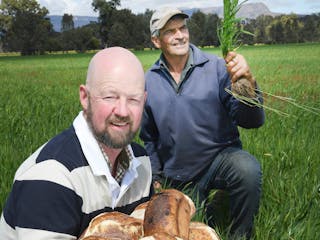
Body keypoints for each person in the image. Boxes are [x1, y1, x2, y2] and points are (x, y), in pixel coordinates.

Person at [0, 47, 153, 239]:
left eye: (133, 99)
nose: (122, 111)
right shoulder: (52, 176)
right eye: (109, 96)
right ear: (84, 97)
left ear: (144, 101)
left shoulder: (142, 162)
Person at [140, 6, 265, 239]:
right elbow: (149, 137)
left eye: (183, 28)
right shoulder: (149, 81)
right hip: (179, 174)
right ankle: (214, 206)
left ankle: (241, 235)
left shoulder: (217, 68)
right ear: (156, 41)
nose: (180, 35)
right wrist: (156, 176)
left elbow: (251, 121)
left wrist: (249, 84)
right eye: (170, 31)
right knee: (194, 228)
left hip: (219, 159)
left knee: (247, 169)